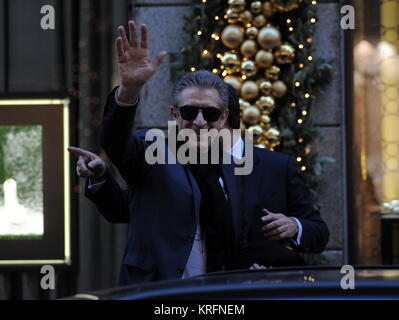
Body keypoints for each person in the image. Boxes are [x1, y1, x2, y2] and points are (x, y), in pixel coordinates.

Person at [70, 21, 329, 285]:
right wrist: (129, 90)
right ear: (174, 114)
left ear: (224, 117)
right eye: (189, 111)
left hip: (219, 295)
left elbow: (244, 237)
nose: (200, 121)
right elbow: (115, 143)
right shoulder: (152, 150)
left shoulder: (233, 166)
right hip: (160, 291)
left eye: (211, 113)